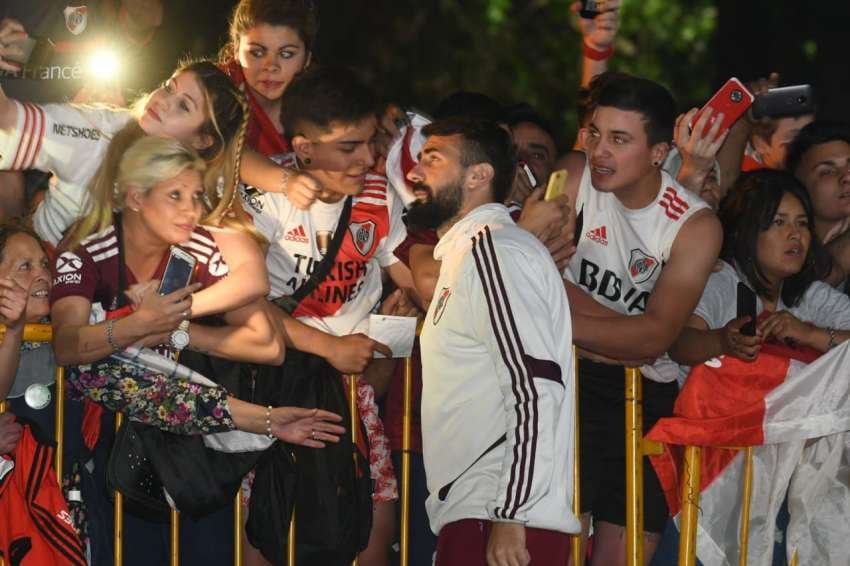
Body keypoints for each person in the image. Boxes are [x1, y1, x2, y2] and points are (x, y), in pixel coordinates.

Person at [556, 73, 721, 564]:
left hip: (646, 401)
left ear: (658, 152)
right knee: (554, 545)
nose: (600, 152)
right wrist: (615, 333)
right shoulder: (573, 174)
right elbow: (523, 276)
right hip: (566, 386)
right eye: (595, 135)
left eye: (619, 139)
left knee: (620, 552)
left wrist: (554, 311)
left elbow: (654, 338)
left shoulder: (694, 224)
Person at [404, 116, 578, 566]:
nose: (414, 173)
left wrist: (511, 513)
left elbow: (534, 384)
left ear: (479, 176)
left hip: (498, 514)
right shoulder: (473, 254)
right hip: (480, 510)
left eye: (433, 160)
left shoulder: (493, 252)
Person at [669, 169, 845, 369]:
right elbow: (679, 344)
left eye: (802, 223)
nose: (796, 234)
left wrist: (811, 335)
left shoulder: (811, 293)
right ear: (741, 229)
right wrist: (721, 341)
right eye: (779, 222)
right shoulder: (720, 280)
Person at [219, 0, 316, 157]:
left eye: (286, 54)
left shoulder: (324, 109)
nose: (271, 66)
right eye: (257, 53)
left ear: (307, 59)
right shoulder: (210, 89)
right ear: (236, 50)